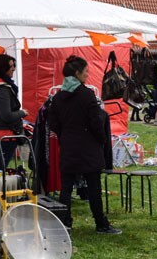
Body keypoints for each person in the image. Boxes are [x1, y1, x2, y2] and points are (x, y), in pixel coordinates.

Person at [49, 55, 121, 234]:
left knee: (66, 188)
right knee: (94, 187)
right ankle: (101, 224)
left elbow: (53, 123)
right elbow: (96, 122)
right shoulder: (87, 95)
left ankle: (65, 223)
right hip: (88, 147)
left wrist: (65, 134)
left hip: (69, 146)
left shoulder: (58, 97)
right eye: (86, 72)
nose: (87, 75)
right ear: (77, 73)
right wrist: (101, 139)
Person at [0, 54, 28, 170]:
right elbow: (6, 115)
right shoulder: (2, 90)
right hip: (6, 134)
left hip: (1, 133)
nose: (14, 69)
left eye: (14, 66)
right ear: (3, 69)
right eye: (11, 66)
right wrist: (22, 113)